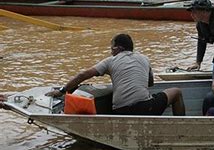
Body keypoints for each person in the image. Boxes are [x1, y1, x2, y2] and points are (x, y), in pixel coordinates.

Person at [47, 34, 185, 116]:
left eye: (111, 48)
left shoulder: (110, 61)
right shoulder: (144, 59)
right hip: (146, 108)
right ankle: (181, 125)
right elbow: (150, 84)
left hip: (120, 111)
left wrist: (62, 91)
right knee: (176, 92)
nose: (111, 51)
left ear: (118, 48)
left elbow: (82, 75)